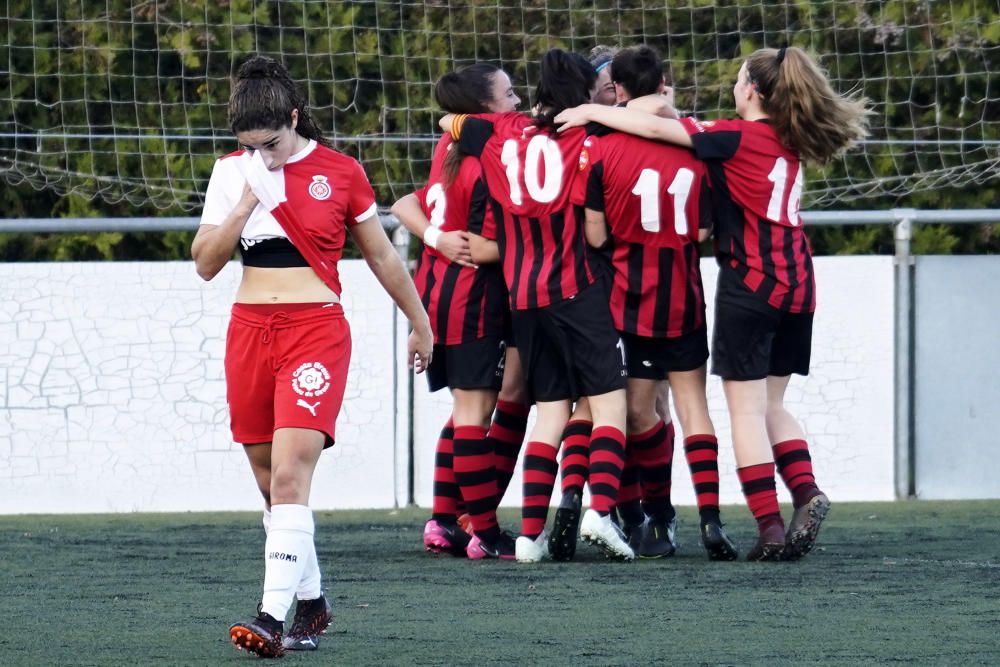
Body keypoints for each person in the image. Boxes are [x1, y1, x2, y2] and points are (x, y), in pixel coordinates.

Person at [556, 46, 869, 560]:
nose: (733, 84)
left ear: (752, 91)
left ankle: (768, 528)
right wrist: (666, 108)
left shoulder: (732, 136)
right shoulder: (785, 138)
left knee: (744, 412)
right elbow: (673, 124)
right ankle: (806, 490)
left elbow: (661, 130)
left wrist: (592, 110)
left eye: (739, 77)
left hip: (752, 283)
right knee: (772, 404)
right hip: (800, 280)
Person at [192, 55, 432, 657]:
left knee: (294, 472)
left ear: (294, 118)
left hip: (315, 330)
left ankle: (271, 618)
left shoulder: (340, 172)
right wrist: (248, 201)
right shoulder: (232, 174)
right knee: (271, 485)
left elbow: (380, 256)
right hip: (250, 329)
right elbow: (205, 263)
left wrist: (420, 322)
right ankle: (314, 602)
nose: (264, 156)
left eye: (271, 143)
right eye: (251, 146)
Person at [441, 48, 634, 563]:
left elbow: (449, 119)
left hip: (523, 296)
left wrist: (513, 120)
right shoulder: (589, 135)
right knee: (610, 404)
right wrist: (591, 115)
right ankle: (600, 511)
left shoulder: (502, 132)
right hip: (576, 286)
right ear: (585, 94)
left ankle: (529, 537)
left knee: (548, 411)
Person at [580, 45, 738, 561]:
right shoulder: (694, 140)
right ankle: (712, 522)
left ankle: (657, 522)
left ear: (618, 91)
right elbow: (703, 228)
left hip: (631, 299)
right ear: (664, 81)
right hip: (684, 296)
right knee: (695, 408)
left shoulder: (601, 146)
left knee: (637, 414)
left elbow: (597, 235)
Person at [391, 63, 530, 560]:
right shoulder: (490, 156)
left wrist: (433, 238)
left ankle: (443, 522)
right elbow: (485, 246)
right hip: (473, 298)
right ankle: (486, 535)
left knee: (462, 412)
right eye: (509, 94)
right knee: (474, 414)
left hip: (435, 295)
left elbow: (409, 204)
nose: (517, 102)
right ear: (484, 107)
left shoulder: (446, 148)